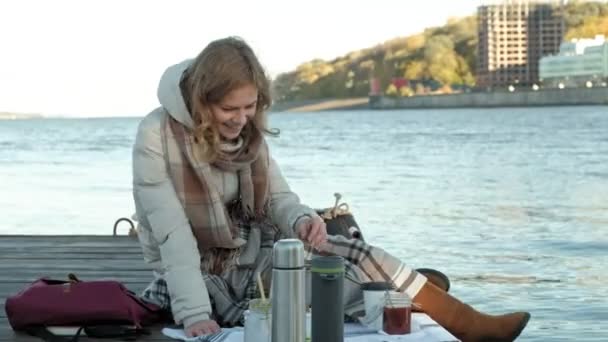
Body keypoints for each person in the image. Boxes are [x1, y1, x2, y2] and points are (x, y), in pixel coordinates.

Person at [132, 36, 530, 342]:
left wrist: (303, 220)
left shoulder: (249, 134)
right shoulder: (157, 136)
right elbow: (173, 236)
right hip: (203, 273)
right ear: (203, 100)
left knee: (355, 250)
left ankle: (461, 320)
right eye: (229, 110)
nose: (241, 120)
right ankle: (407, 291)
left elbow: (277, 199)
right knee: (331, 281)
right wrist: (195, 313)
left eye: (249, 106)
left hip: (250, 249)